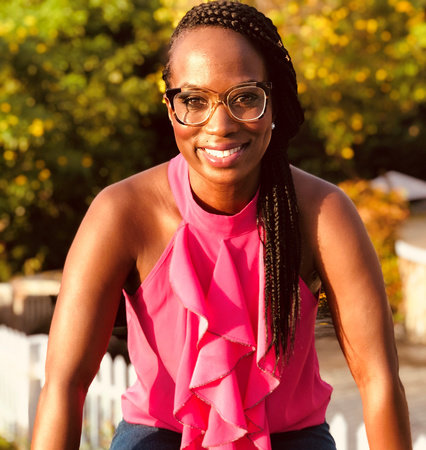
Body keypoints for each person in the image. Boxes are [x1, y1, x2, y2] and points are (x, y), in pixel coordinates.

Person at [31, 1, 412, 449]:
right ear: (170, 108)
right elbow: (65, 383)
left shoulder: (323, 212)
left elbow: (380, 380)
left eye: (246, 97)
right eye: (194, 101)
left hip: (291, 438)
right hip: (159, 436)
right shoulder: (122, 211)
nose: (221, 124)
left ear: (275, 103)